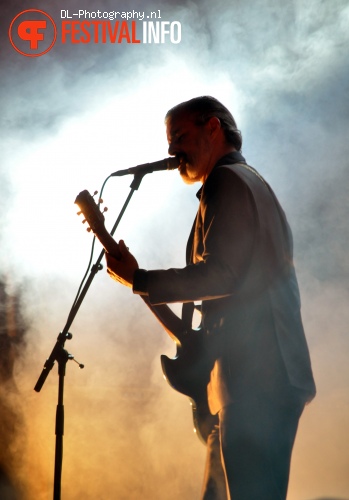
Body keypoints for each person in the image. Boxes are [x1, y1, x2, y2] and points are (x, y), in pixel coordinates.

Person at [106, 96, 316, 499]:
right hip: (258, 376)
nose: (171, 152)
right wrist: (139, 282)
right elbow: (235, 294)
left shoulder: (228, 181)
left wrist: (142, 278)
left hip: (257, 379)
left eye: (180, 137)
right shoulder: (245, 181)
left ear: (213, 128)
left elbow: (223, 275)